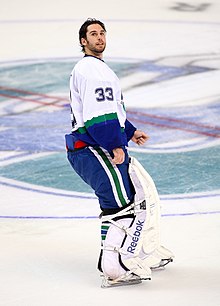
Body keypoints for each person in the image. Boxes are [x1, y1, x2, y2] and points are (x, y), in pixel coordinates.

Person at [65, 18, 173, 288]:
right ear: (83, 41)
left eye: (102, 33)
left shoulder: (99, 69)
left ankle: (138, 252)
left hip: (98, 145)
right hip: (92, 148)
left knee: (138, 195)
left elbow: (112, 110)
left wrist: (129, 131)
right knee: (120, 204)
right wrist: (114, 144)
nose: (99, 37)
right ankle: (113, 268)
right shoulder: (91, 70)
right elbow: (98, 116)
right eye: (93, 34)